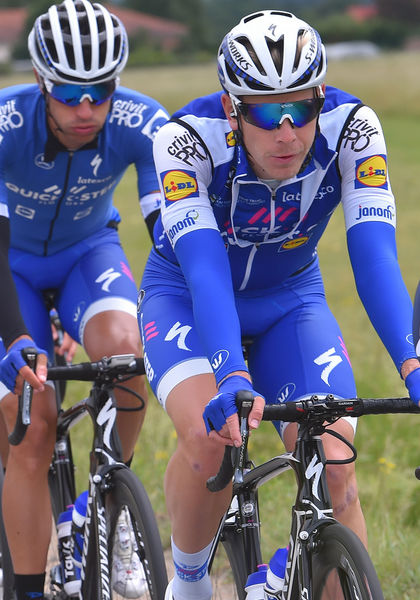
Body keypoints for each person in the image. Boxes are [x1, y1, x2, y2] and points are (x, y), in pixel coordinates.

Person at [140, 10, 420, 599]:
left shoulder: (354, 128)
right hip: (187, 298)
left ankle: (292, 569)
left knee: (337, 466)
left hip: (290, 298)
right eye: (268, 113)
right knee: (211, 437)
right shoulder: (185, 138)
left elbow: (373, 259)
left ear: (322, 97)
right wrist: (232, 373)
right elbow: (206, 271)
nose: (289, 132)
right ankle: (190, 582)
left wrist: (412, 362)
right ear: (231, 108)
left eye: (303, 108)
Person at [0, 1, 169, 598]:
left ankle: (105, 511)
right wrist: (17, 337)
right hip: (9, 267)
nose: (86, 109)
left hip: (88, 253)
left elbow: (169, 235)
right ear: (40, 81)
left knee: (130, 353)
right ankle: (28, 587)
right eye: (70, 93)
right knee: (33, 425)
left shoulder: (142, 121)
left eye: (100, 92)